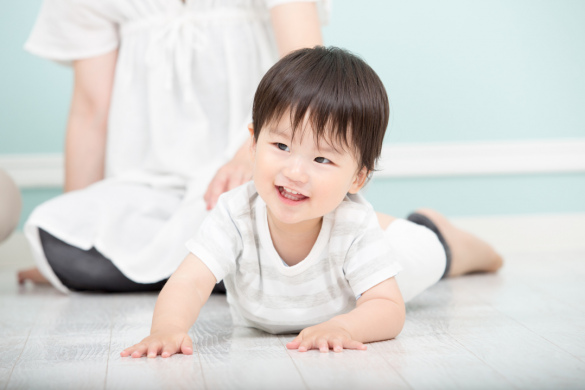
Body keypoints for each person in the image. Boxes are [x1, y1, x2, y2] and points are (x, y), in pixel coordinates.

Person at [121, 47, 503, 357]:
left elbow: (388, 308)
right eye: (281, 146)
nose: (295, 172)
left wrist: (345, 325)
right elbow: (189, 280)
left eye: (322, 159)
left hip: (375, 263)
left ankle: (442, 232)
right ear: (253, 144)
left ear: (358, 177)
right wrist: (168, 330)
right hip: (330, 240)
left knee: (429, 253)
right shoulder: (236, 212)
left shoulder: (353, 225)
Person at [17, 0, 326, 292]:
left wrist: (252, 154)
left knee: (258, 213)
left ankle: (194, 272)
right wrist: (77, 230)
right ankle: (223, 273)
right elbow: (91, 111)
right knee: (54, 227)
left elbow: (306, 69)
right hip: (149, 186)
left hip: (246, 170)